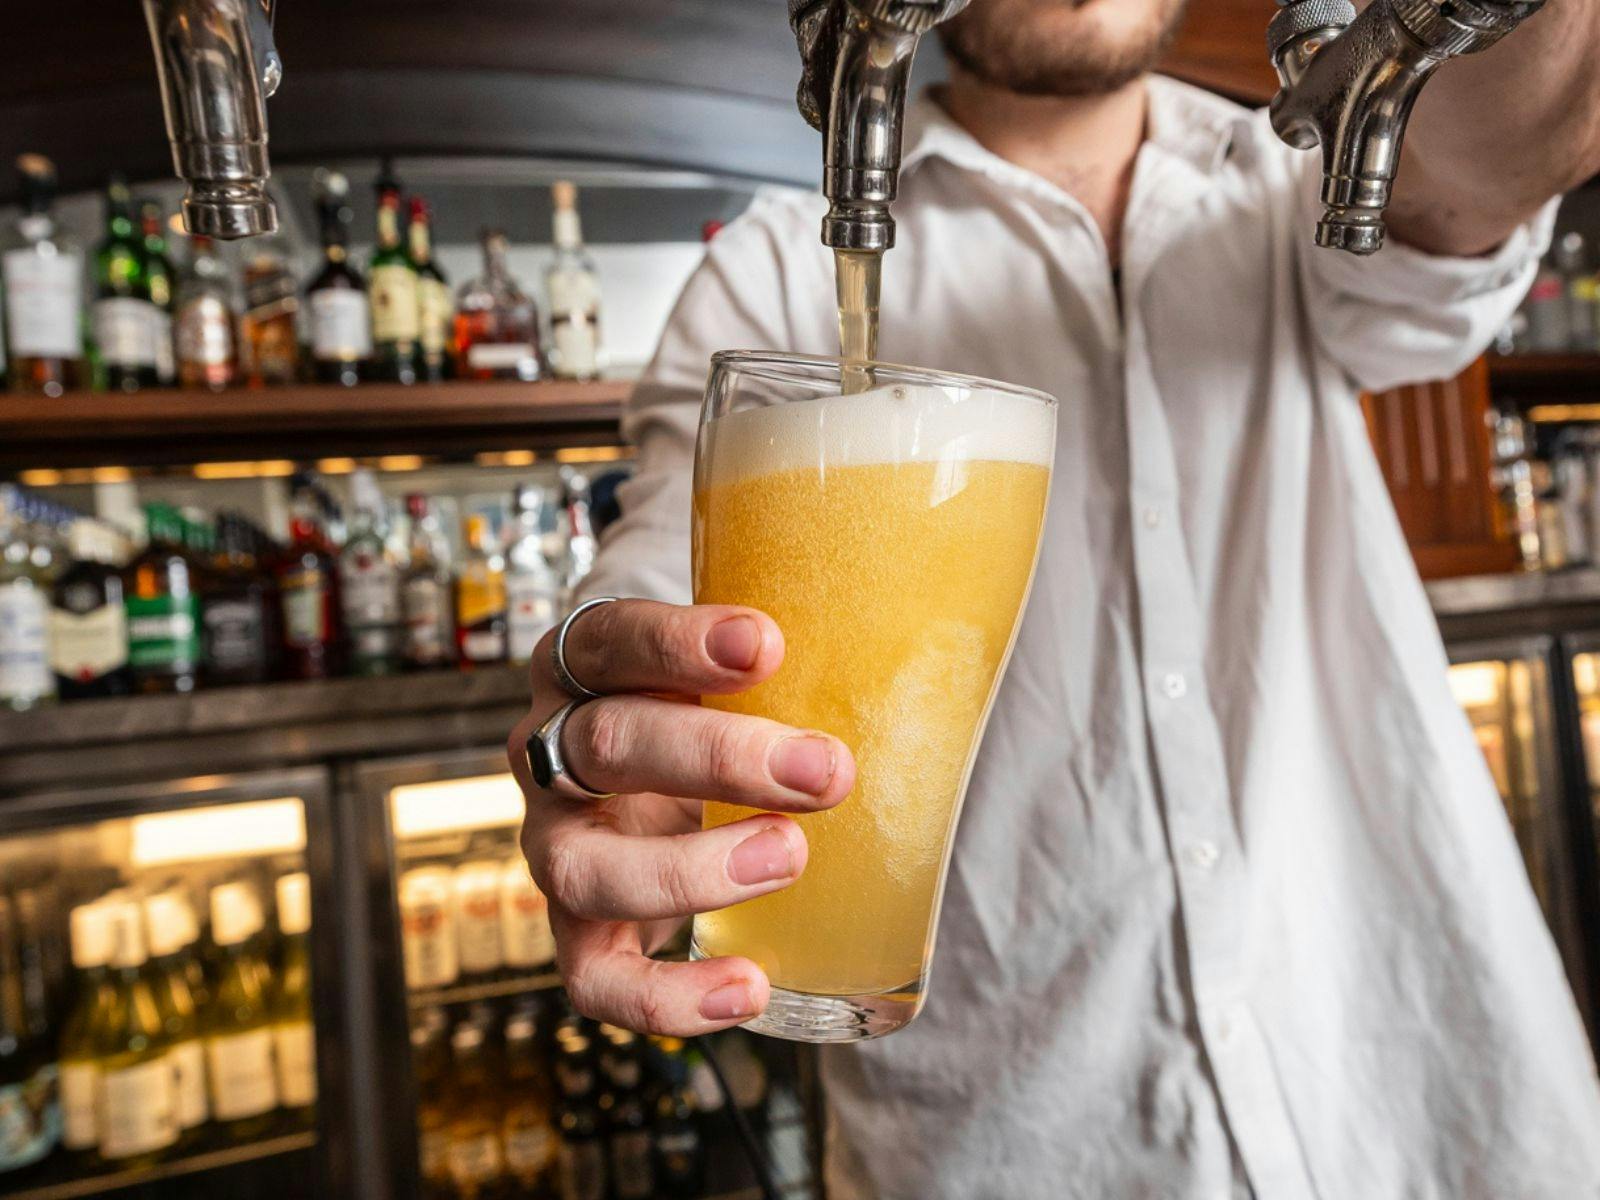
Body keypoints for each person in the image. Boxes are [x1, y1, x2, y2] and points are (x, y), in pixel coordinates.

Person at [506, 1, 1600, 1196]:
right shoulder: (772, 270)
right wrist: (622, 724)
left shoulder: (1299, 172)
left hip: (1422, 1101)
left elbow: (1500, 151)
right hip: (1018, 1144)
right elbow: (672, 546)